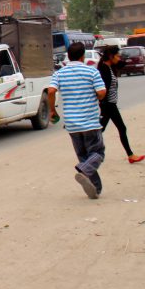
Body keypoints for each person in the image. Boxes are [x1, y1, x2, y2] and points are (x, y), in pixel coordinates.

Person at [46, 42, 107, 199]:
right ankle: (84, 171)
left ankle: (96, 189)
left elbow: (51, 91)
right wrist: (96, 95)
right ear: (82, 56)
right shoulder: (91, 71)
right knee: (98, 153)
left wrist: (52, 110)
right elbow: (101, 92)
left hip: (72, 124)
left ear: (68, 55)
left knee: (83, 156)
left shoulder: (60, 73)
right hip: (90, 121)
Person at [96, 45, 145, 164]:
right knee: (120, 128)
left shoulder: (110, 66)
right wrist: (102, 103)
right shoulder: (104, 69)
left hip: (110, 104)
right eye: (117, 56)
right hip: (108, 104)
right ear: (111, 56)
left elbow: (122, 64)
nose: (119, 58)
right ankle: (130, 155)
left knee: (100, 130)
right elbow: (102, 89)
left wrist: (121, 57)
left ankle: (89, 151)